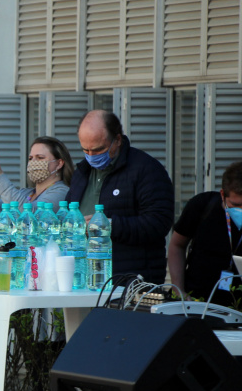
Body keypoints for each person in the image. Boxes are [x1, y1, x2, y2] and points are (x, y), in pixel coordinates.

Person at [63, 110, 174, 338]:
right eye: (85, 150)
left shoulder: (146, 170)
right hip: (86, 281)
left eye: (98, 149)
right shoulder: (82, 172)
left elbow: (158, 223)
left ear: (118, 140)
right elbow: (69, 211)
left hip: (131, 283)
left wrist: (109, 225)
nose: (91, 155)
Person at [169, 161, 242, 309]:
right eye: (235, 204)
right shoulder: (202, 206)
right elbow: (177, 245)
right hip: (196, 302)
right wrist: (178, 290)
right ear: (222, 195)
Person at [0, 136, 73, 217]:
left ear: (59, 163)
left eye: (40, 158)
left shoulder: (62, 191)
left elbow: (31, 214)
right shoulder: (26, 193)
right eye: (30, 158)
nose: (33, 162)